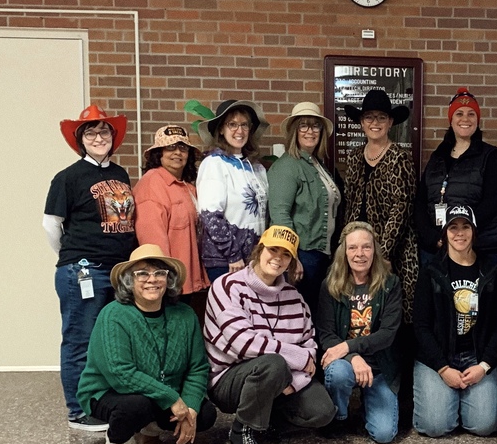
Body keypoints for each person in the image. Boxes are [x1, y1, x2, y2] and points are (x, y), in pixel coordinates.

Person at [77, 245, 217, 444]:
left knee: (205, 414)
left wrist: (189, 407)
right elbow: (120, 373)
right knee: (136, 405)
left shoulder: (184, 315)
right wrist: (172, 399)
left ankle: (149, 430)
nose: (152, 279)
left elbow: (197, 367)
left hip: (161, 391)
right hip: (108, 392)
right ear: (129, 281)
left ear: (168, 279)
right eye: (142, 273)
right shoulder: (113, 315)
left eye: (159, 273)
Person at [204, 225, 335, 444]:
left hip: (279, 378)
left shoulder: (294, 297)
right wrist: (295, 361)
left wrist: (291, 382)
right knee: (273, 364)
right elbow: (242, 344)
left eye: (286, 254)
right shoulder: (226, 286)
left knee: (323, 411)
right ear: (259, 250)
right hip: (229, 379)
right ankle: (242, 431)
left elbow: (309, 346)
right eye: (273, 249)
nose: (278, 258)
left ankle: (264, 422)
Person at [44, 104, 136, 431]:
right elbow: (51, 225)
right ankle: (78, 411)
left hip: (119, 272)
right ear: (80, 140)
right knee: (80, 340)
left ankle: (103, 402)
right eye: (91, 132)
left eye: (104, 131)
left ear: (114, 136)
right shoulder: (67, 178)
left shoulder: (120, 174)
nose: (99, 137)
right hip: (84, 271)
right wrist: (75, 257)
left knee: (108, 342)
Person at [412, 205, 497, 437]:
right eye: (453, 227)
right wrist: (443, 368)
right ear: (445, 233)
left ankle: (463, 400)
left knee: (484, 426)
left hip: (477, 356)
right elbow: (421, 327)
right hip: (439, 357)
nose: (460, 233)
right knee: (436, 426)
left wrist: (484, 366)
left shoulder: (491, 271)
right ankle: (447, 399)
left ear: (474, 231)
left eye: (466, 227)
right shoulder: (431, 271)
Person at [316, 222, 403, 444]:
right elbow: (326, 334)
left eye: (366, 247)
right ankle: (339, 417)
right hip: (345, 364)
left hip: (379, 366)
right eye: (353, 248)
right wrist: (352, 356)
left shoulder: (390, 284)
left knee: (384, 434)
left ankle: (367, 405)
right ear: (344, 252)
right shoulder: (330, 285)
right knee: (337, 373)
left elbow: (388, 334)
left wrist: (348, 346)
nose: (360, 254)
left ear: (375, 250)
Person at [342, 89, 418, 321]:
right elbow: (350, 201)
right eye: (369, 117)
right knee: (359, 307)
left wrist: (384, 253)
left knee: (394, 307)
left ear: (391, 122)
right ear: (362, 123)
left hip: (395, 248)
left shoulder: (400, 157)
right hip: (359, 246)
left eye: (381, 117)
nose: (375, 123)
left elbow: (402, 206)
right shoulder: (354, 156)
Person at [414, 87, 497, 264]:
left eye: (471, 114)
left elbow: (493, 202)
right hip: (436, 250)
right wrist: (433, 237)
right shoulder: (437, 156)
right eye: (459, 114)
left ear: (478, 120)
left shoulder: (491, 156)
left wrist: (460, 235)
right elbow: (420, 201)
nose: (465, 119)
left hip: (479, 249)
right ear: (451, 119)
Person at [268, 101, 343, 310]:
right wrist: (291, 256)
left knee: (315, 313)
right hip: (303, 254)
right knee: (300, 314)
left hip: (320, 253)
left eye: (315, 125)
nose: (310, 131)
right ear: (294, 131)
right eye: (303, 125)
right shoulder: (287, 166)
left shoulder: (317, 163)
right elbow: (280, 214)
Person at [133, 125, 209, 317]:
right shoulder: (152, 184)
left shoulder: (186, 186)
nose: (177, 152)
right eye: (170, 147)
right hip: (168, 283)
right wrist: (164, 279)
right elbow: (152, 240)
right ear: (158, 153)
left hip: (187, 281)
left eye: (183, 148)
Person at [196, 99, 270, 283]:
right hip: (226, 261)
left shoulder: (257, 168)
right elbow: (210, 216)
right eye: (232, 124)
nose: (240, 130)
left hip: (254, 258)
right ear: (221, 129)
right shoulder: (214, 164)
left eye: (244, 125)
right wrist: (233, 255)